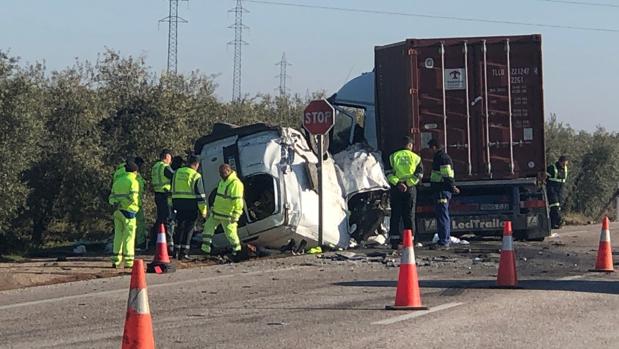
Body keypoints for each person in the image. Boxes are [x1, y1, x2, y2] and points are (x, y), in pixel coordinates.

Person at [385, 136, 423, 249]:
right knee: (409, 214)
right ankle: (410, 241)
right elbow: (419, 175)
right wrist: (408, 184)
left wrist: (398, 184)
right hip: (410, 189)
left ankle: (394, 241)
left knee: (395, 214)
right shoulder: (416, 158)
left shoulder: (393, 156)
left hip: (397, 188)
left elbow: (388, 173)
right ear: (410, 145)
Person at [201, 164, 245, 256]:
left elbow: (238, 201)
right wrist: (214, 207)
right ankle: (205, 249)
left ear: (229, 171)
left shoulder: (235, 184)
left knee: (231, 234)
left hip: (227, 214)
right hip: (217, 212)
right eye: (220, 173)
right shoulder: (223, 181)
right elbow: (219, 197)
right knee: (208, 227)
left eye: (223, 173)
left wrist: (236, 215)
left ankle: (237, 250)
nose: (221, 174)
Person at [171, 154, 207, 260]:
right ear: (196, 164)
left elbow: (172, 187)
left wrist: (172, 203)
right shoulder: (196, 176)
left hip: (178, 203)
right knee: (189, 228)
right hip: (191, 205)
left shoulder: (177, 172)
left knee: (179, 227)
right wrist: (204, 211)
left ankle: (175, 251)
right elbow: (200, 196)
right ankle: (184, 252)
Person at [428, 139, 460, 249]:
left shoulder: (442, 158)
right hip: (440, 190)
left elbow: (447, 175)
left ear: (434, 147)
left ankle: (444, 241)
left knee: (442, 215)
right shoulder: (440, 157)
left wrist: (452, 187)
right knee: (442, 215)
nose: (430, 151)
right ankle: (444, 239)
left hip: (442, 190)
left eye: (430, 148)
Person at [109, 161, 140, 269]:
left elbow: (111, 197)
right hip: (129, 211)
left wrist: (116, 204)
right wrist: (124, 204)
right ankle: (129, 261)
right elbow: (133, 198)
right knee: (129, 237)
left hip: (117, 211)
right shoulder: (133, 181)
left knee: (118, 235)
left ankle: (116, 260)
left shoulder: (117, 181)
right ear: (135, 171)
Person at [113, 157, 147, 249]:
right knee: (135, 227)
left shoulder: (119, 172)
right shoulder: (131, 174)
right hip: (132, 205)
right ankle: (139, 244)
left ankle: (119, 250)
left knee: (119, 230)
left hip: (118, 204)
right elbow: (136, 188)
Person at [151, 149, 175, 252]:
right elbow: (174, 177)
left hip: (157, 195)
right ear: (166, 156)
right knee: (168, 220)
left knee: (160, 219)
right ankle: (169, 245)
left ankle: (156, 242)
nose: (171, 160)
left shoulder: (155, 167)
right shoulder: (164, 167)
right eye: (170, 157)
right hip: (165, 195)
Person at [547, 155, 568, 229]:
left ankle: (552, 224)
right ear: (560, 162)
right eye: (563, 163)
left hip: (560, 190)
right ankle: (559, 220)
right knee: (555, 206)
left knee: (557, 207)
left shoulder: (565, 168)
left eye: (565, 164)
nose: (564, 165)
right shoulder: (552, 168)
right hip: (552, 189)